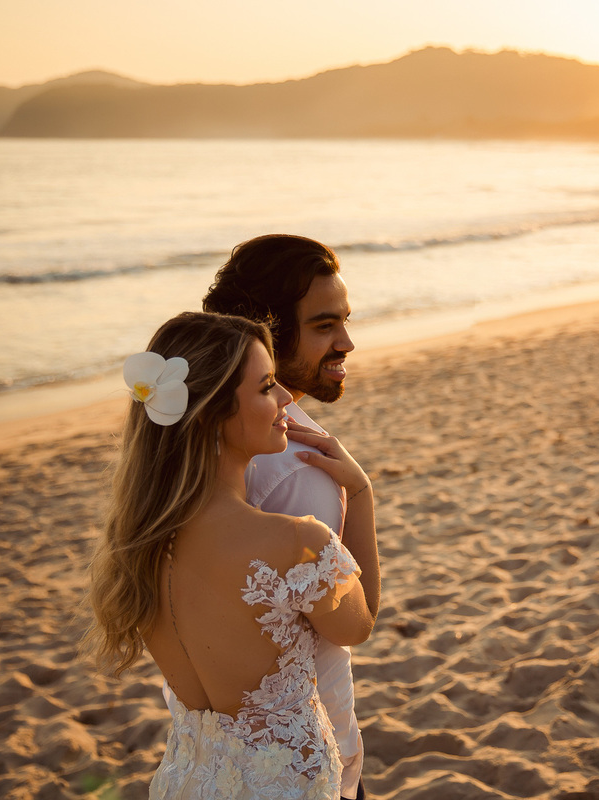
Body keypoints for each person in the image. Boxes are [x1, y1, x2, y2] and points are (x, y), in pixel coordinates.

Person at [85, 311, 377, 799]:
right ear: (210, 415)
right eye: (266, 387)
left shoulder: (135, 546)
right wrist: (361, 493)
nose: (285, 398)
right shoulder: (297, 544)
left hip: (184, 782)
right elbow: (359, 622)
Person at [203, 234, 379, 800]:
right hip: (306, 761)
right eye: (325, 325)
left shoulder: (197, 446)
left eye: (345, 321)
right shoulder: (300, 470)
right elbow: (357, 619)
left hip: (216, 759)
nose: (347, 342)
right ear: (269, 333)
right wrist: (363, 495)